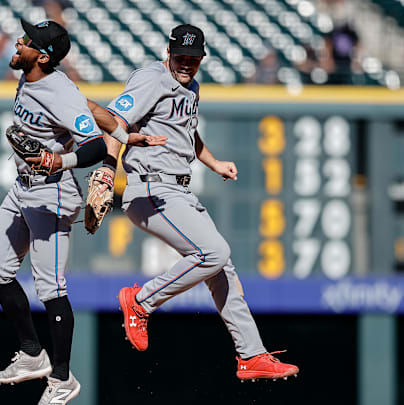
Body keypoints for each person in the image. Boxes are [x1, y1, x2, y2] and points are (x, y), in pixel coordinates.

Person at [90, 24, 300, 382]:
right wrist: (109, 170)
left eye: (194, 59)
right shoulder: (150, 79)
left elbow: (186, 131)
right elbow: (115, 123)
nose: (187, 64)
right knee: (213, 252)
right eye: (181, 57)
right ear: (168, 52)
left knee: (222, 268)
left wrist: (214, 163)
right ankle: (141, 301)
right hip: (150, 190)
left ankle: (251, 355)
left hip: (179, 191)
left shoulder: (192, 87)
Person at [0, 19, 164, 405]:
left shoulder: (56, 89)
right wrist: (122, 130)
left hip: (54, 194)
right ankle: (33, 354)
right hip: (23, 188)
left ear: (43, 56)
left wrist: (58, 160)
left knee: (50, 289)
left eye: (27, 40)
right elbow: (88, 109)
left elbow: (93, 147)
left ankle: (62, 379)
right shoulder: (32, 74)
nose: (19, 41)